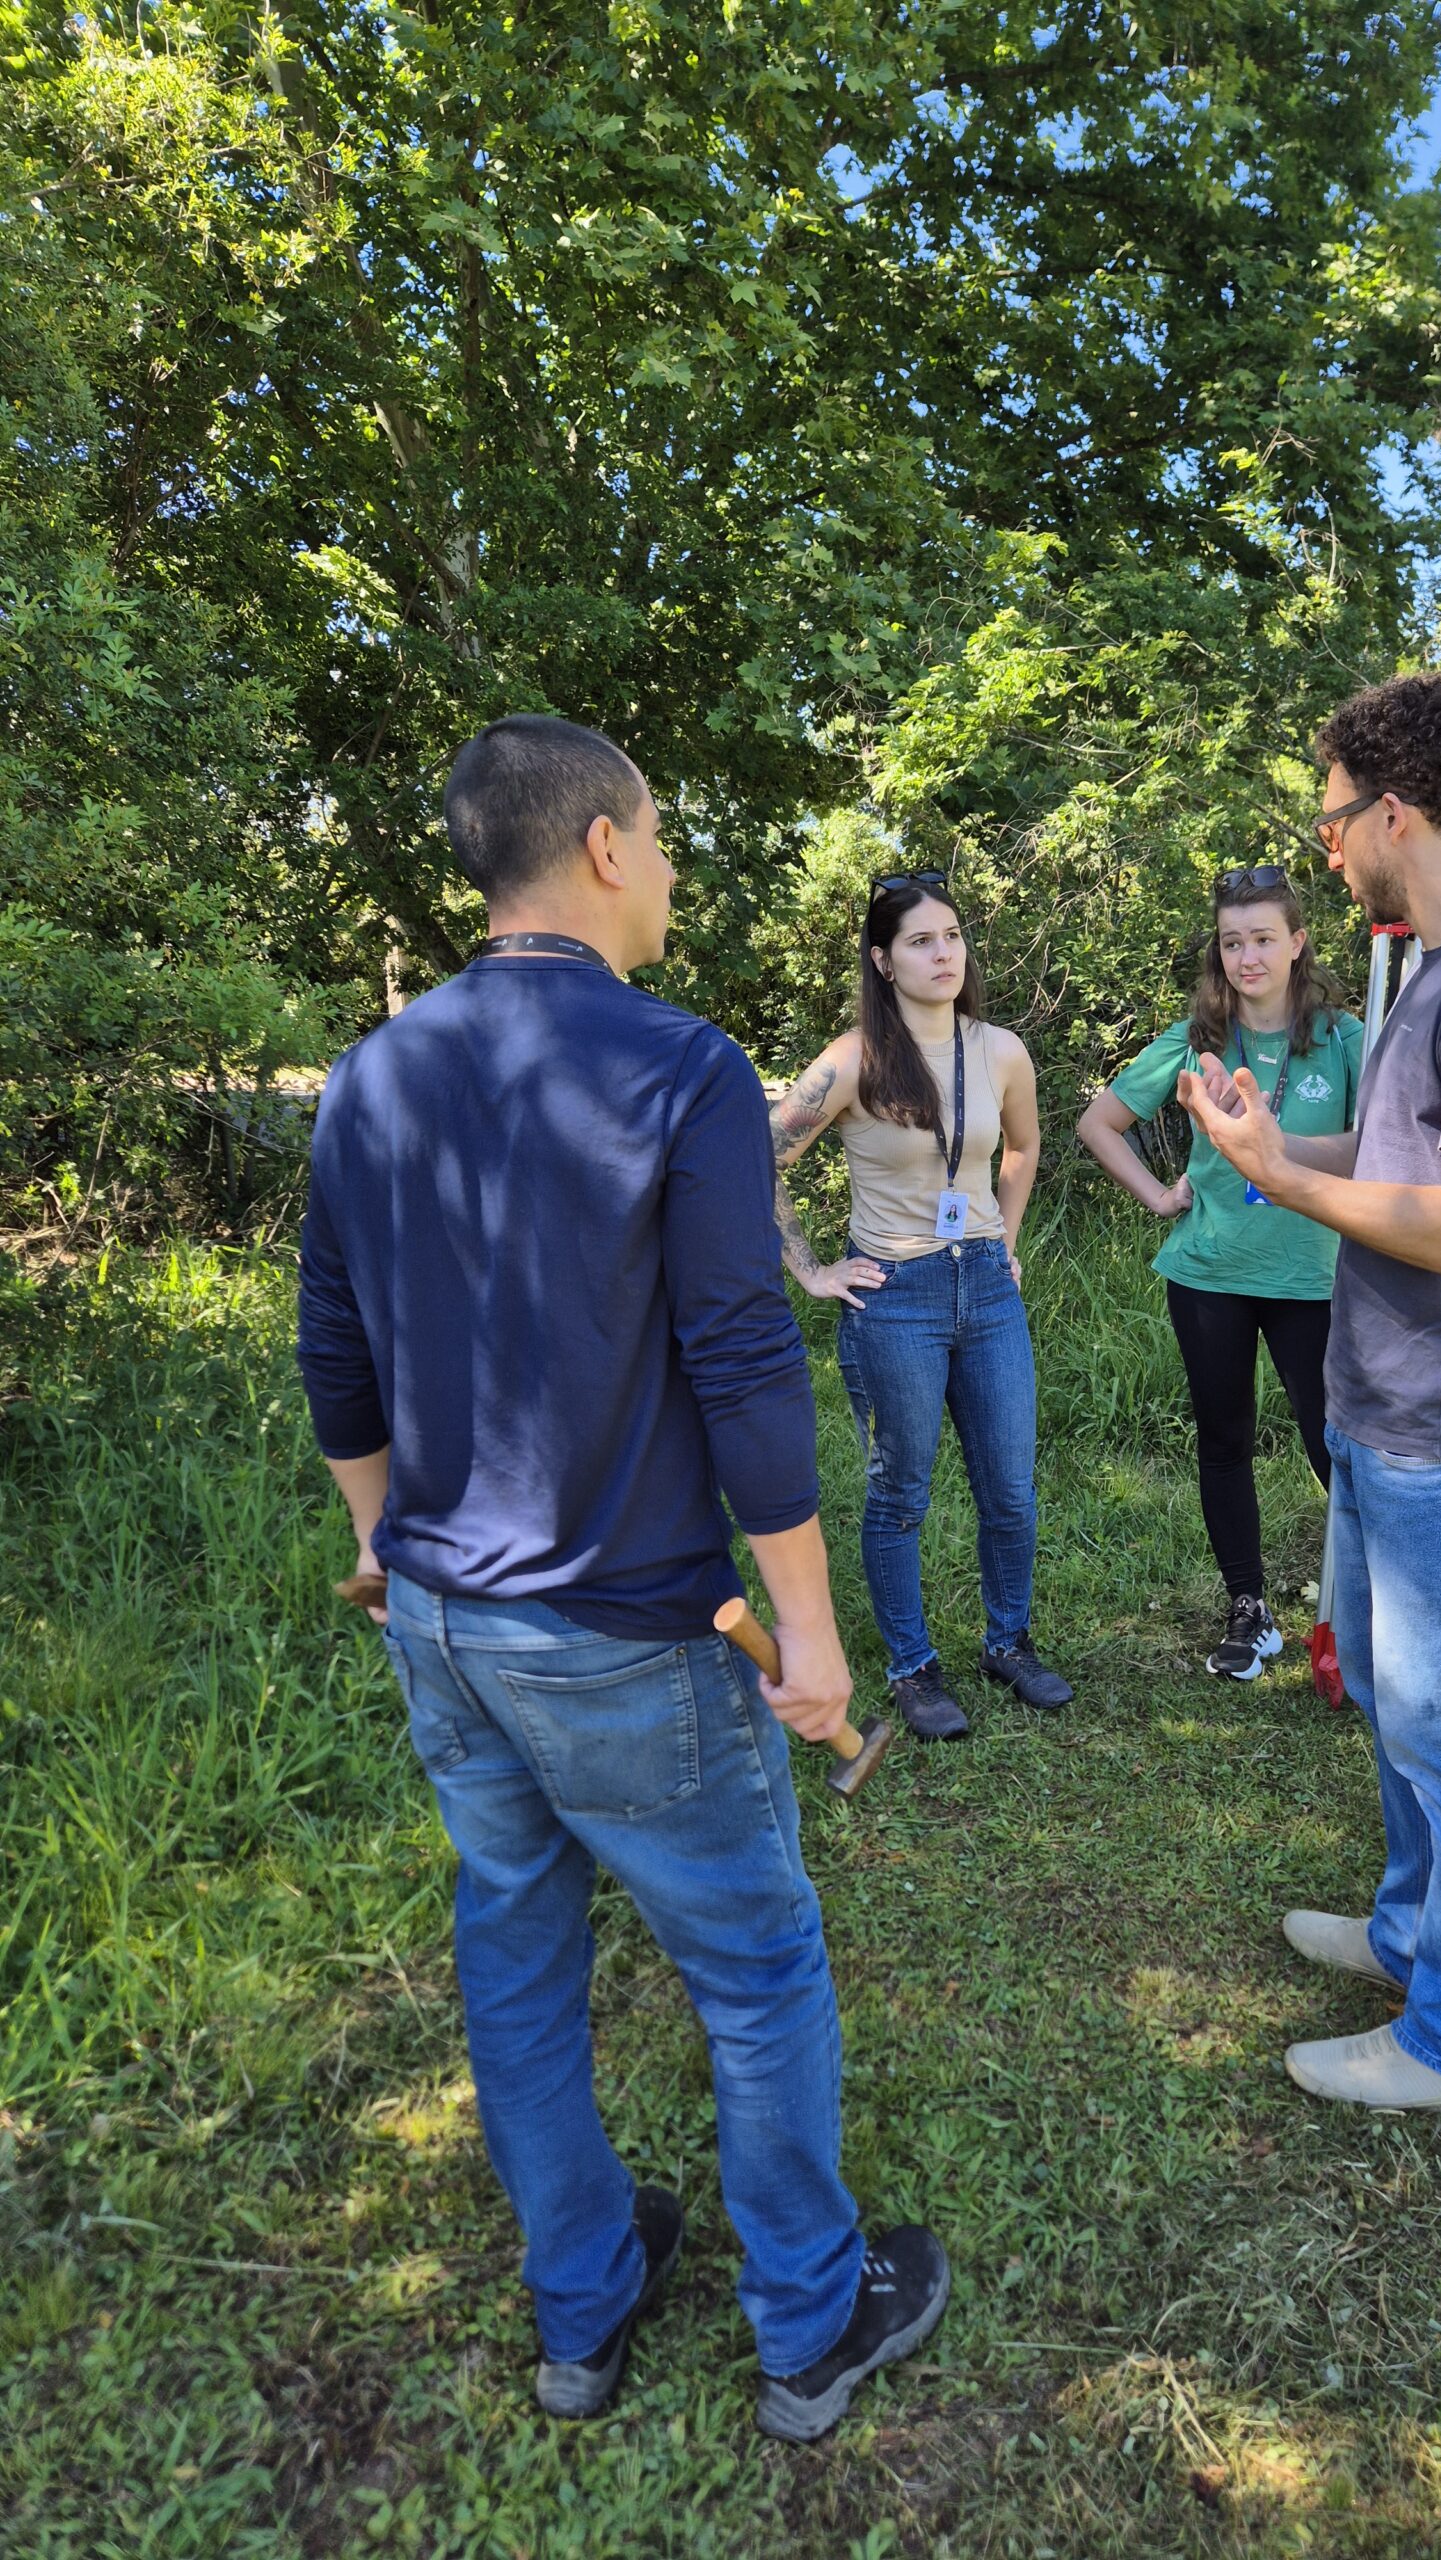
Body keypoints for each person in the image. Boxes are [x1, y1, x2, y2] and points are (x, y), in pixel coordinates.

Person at [295, 715, 948, 2438]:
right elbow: (743, 1356)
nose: (667, 871)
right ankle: (811, 2320)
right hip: (625, 1636)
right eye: (656, 840)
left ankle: (583, 2307)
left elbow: (335, 1350)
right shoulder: (683, 1067)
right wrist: (810, 1630)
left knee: (515, 1954)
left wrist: (379, 1532)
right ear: (599, 847)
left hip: (445, 1623)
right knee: (752, 1966)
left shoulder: (374, 1072)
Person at [1180, 672, 1441, 2117]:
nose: (1325, 840)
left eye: (1332, 813)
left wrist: (1288, 1180)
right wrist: (1285, 1136)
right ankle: (1416, 1934)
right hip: (1388, 1409)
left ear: (1394, 811)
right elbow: (1417, 1148)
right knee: (1396, 1705)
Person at [768, 873, 1072, 1741]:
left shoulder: (1002, 1049)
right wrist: (813, 1269)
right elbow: (760, 1155)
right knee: (901, 1493)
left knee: (1010, 1491)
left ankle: (1008, 1644)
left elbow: (1024, 1144)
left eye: (952, 937)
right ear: (882, 960)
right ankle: (912, 1666)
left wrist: (1004, 1240)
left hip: (984, 1288)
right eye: (919, 942)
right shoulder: (855, 1058)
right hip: (893, 1297)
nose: (943, 954)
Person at [1075, 869, 1362, 1677]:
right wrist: (1161, 1197)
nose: (1247, 957)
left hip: (1315, 1275)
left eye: (1264, 938)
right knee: (1224, 1439)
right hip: (1210, 1273)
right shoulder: (1194, 1044)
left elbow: (1384, 1139)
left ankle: (1364, 1610)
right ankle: (1249, 1610)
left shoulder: (1344, 1038)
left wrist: (1280, 1157)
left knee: (1335, 1444)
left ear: (1298, 942)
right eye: (1232, 942)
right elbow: (1098, 1122)